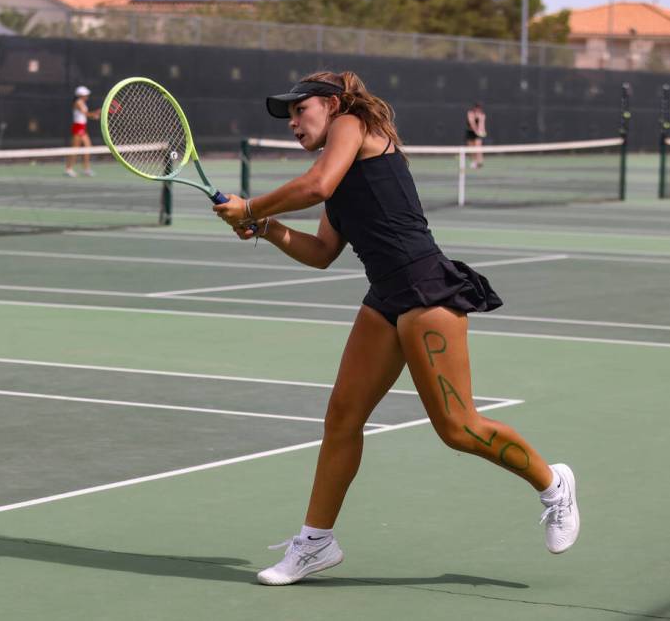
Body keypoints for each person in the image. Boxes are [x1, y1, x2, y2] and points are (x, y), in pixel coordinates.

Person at [213, 72, 579, 586]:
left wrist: (251, 206)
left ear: (332, 103)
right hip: (384, 298)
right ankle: (316, 541)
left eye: (300, 110)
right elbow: (321, 254)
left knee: (459, 429)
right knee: (342, 418)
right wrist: (267, 228)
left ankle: (553, 482)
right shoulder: (337, 181)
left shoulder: (352, 123)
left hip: (428, 290)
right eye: (288, 116)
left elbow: (314, 185)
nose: (294, 123)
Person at [65, 85, 101, 177]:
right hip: (77, 127)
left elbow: (86, 115)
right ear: (80, 95)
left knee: (88, 147)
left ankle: (86, 169)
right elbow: (86, 114)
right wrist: (97, 112)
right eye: (85, 94)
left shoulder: (83, 103)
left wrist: (95, 115)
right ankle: (69, 169)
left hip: (82, 127)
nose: (87, 96)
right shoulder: (78, 102)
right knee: (75, 149)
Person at [465, 102, 487, 169]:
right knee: (471, 149)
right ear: (474, 108)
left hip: (477, 134)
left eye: (479, 109)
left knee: (478, 147)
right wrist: (476, 131)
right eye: (477, 109)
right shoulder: (470, 113)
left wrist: (482, 131)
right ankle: (474, 162)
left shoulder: (482, 115)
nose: (478, 110)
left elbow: (482, 124)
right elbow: (472, 123)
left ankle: (480, 162)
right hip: (470, 132)